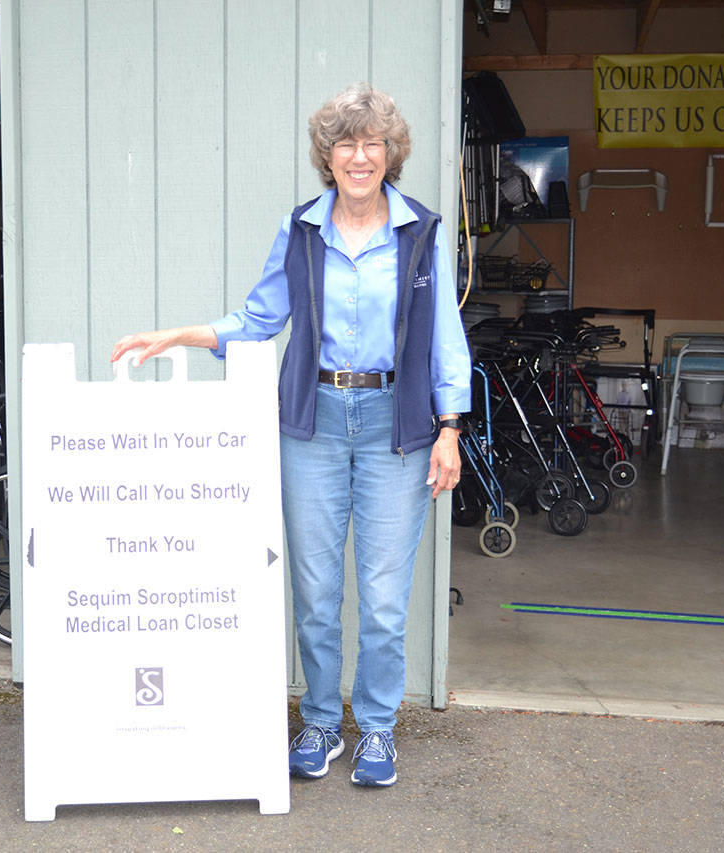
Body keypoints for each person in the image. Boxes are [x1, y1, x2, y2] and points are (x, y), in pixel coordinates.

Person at [110, 83, 471, 788]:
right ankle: (320, 722)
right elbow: (257, 317)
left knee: (385, 593)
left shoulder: (420, 232)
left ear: (389, 154)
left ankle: (375, 729)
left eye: (373, 144)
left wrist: (449, 426)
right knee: (313, 586)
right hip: (314, 423)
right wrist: (177, 333)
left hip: (397, 425)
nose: (359, 156)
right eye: (346, 143)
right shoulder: (302, 230)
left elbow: (446, 342)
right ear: (327, 155)